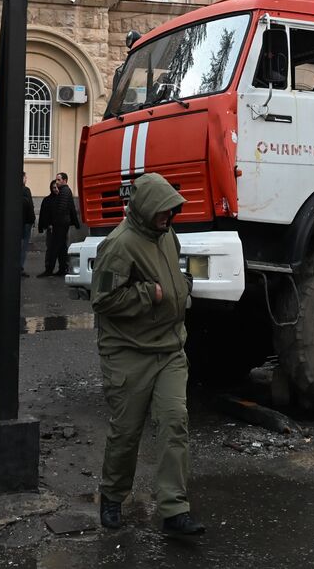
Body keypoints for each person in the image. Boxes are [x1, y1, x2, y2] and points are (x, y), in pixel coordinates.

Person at [90, 172, 201, 538]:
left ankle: (174, 510)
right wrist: (147, 295)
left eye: (172, 210)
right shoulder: (118, 245)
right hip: (128, 353)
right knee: (126, 432)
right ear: (144, 209)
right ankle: (112, 495)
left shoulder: (167, 234)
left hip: (169, 348)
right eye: (162, 210)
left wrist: (182, 288)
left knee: (174, 422)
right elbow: (103, 299)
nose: (168, 216)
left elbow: (178, 272)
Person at [38, 177, 79, 277]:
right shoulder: (48, 200)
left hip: (59, 226)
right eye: (53, 187)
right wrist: (44, 226)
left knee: (60, 248)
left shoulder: (62, 195)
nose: (55, 189)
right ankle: (52, 268)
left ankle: (60, 268)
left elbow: (70, 209)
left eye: (56, 187)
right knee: (51, 248)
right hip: (52, 227)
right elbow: (43, 214)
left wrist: (75, 223)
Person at [20, 173, 36, 275]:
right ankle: (20, 267)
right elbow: (30, 206)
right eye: (25, 177)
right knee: (23, 246)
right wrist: (32, 219)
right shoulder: (25, 190)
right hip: (26, 222)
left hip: (20, 221)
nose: (26, 179)